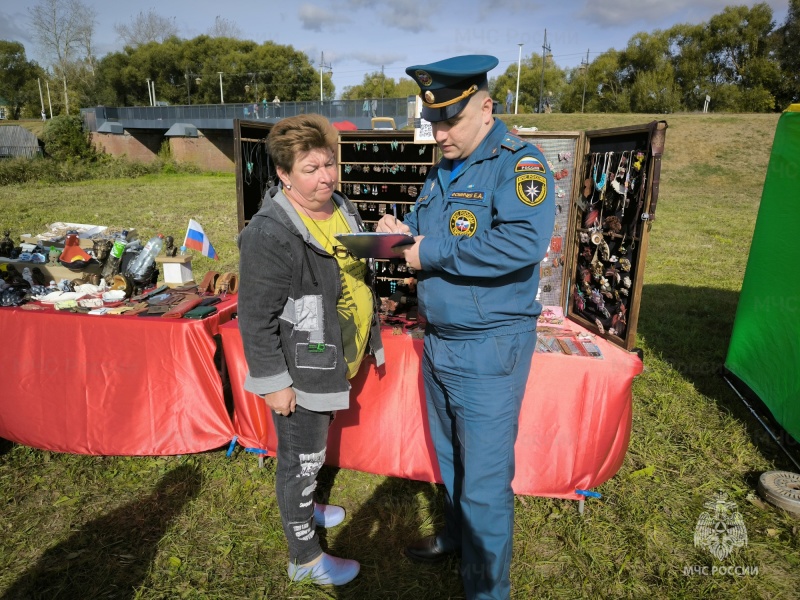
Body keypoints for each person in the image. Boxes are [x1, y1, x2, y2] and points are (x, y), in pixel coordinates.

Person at [377, 55, 554, 599]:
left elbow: (522, 243)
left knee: (483, 482)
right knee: (452, 459)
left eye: (450, 120)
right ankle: (459, 540)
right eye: (434, 122)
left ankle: (486, 590)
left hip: (489, 347)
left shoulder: (518, 164)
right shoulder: (445, 165)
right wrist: (403, 236)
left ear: (487, 107)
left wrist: (427, 252)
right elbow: (443, 236)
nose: (440, 133)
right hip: (441, 341)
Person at [237, 113, 384, 586]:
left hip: (336, 358)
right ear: (283, 173)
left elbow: (347, 264)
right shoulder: (269, 234)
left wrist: (381, 241)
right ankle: (304, 557)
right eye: (311, 169)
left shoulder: (338, 204)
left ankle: (310, 508)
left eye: (330, 164)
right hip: (304, 368)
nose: (326, 177)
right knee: (300, 460)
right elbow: (255, 318)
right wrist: (275, 383)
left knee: (313, 453)